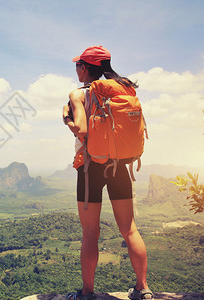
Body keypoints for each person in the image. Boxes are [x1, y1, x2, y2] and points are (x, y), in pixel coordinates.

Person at [62, 46, 153, 300]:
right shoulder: (123, 89)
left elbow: (81, 129)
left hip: (90, 168)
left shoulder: (79, 94)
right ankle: (142, 289)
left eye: (78, 65)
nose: (77, 70)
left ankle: (87, 293)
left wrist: (66, 119)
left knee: (90, 233)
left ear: (85, 68)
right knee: (130, 230)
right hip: (119, 166)